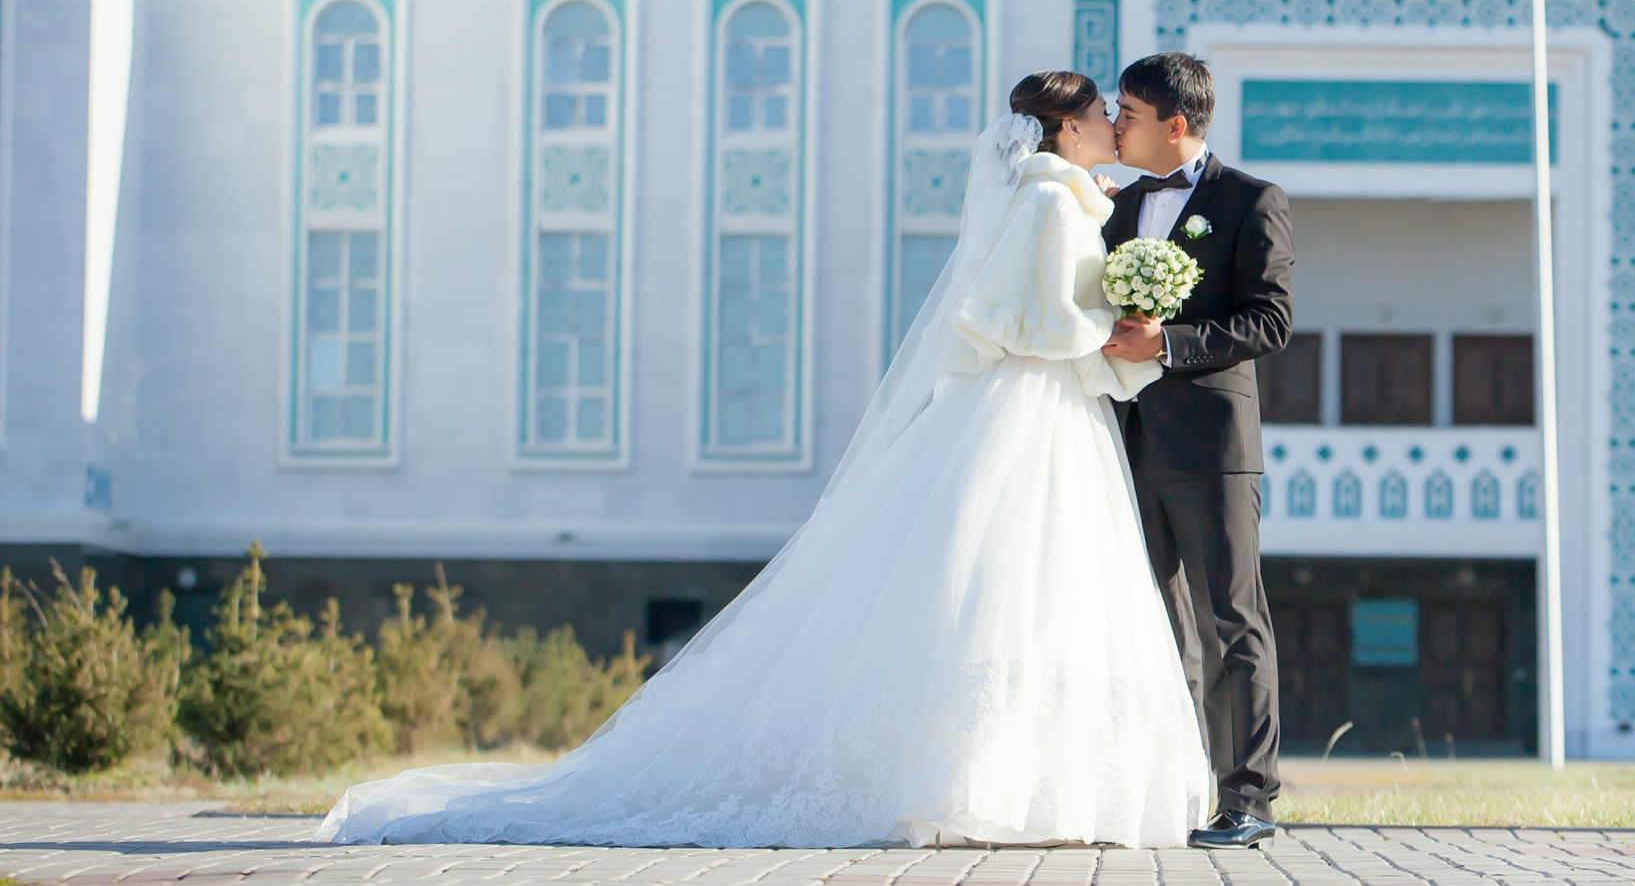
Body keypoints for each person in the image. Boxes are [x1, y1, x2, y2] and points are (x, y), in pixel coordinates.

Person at [318, 73, 1213, 850]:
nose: (1110, 120)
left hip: (1052, 412)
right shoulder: (1053, 201)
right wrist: (1114, 332)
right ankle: (979, 782)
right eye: (1101, 110)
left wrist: (1111, 343)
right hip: (1030, 416)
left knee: (1031, 588)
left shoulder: (1067, 198)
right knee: (1011, 583)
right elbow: (1012, 320)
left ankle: (1012, 779)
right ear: (1065, 129)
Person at [1099, 52, 1292, 850]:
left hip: (1212, 441)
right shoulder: (1118, 206)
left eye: (1129, 114)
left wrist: (1168, 343)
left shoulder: (1251, 201)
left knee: (1230, 619)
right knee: (1148, 619)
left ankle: (1248, 799)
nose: (1116, 125)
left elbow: (1270, 320)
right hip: (1122, 438)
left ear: (1175, 125)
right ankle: (1168, 787)